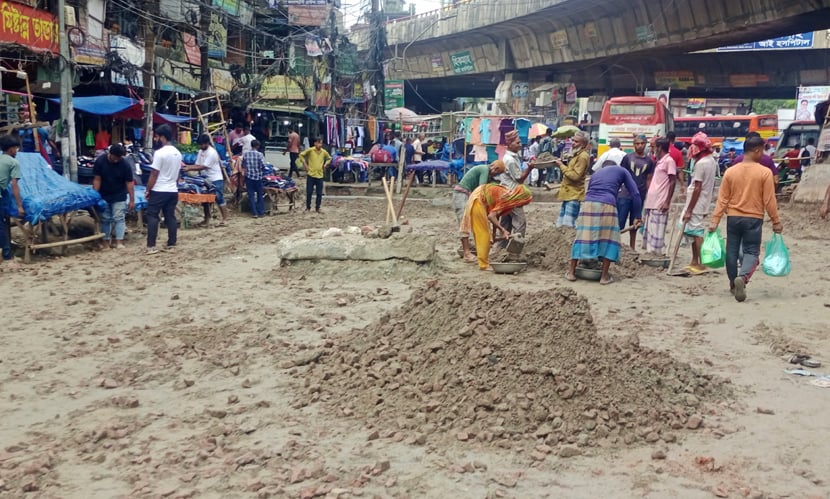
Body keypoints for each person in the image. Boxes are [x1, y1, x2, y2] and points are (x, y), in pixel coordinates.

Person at [709, 135, 782, 302]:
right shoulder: (765, 172)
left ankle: (733, 285)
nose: (763, 155)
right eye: (762, 151)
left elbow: (723, 199)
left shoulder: (730, 172)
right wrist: (776, 221)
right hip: (753, 218)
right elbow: (769, 200)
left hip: (733, 217)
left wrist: (715, 220)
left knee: (732, 251)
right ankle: (742, 278)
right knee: (751, 251)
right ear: (757, 150)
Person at [566, 164, 642, 285]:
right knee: (609, 239)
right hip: (608, 203)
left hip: (588, 204)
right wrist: (638, 215)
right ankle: (604, 276)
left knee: (582, 237)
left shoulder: (596, 174)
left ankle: (571, 272)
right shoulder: (623, 170)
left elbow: (589, 190)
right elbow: (636, 194)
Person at [460, 183, 533, 269]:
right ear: (519, 197)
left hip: (480, 196)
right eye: (523, 202)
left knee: (487, 235)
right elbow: (491, 216)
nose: (522, 205)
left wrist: (494, 234)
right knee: (483, 234)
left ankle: (484, 260)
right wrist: (503, 230)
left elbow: (496, 215)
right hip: (478, 199)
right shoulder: (506, 197)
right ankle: (484, 265)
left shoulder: (509, 200)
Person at [681, 132, 717, 273]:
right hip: (702, 200)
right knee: (693, 231)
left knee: (696, 232)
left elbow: (697, 187)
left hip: (697, 202)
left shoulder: (702, 164)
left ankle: (701, 262)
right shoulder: (711, 160)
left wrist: (689, 209)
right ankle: (695, 261)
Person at [145, 124, 183, 255]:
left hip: (159, 189)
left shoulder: (159, 153)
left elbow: (154, 173)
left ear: (162, 137)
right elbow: (178, 173)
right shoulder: (177, 153)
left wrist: (148, 189)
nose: (156, 139)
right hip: (172, 189)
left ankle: (151, 245)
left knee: (152, 216)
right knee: (170, 216)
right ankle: (171, 243)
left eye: (157, 136)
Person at [92, 144, 135, 249]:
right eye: (115, 158)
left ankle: (119, 241)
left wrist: (132, 200)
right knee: (105, 218)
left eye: (119, 158)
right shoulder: (100, 162)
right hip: (104, 194)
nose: (116, 160)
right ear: (110, 154)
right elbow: (97, 179)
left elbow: (129, 183)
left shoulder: (125, 165)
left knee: (119, 217)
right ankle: (106, 242)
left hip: (119, 194)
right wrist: (95, 196)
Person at [619, 134, 655, 249]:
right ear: (634, 145)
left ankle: (632, 248)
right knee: (620, 222)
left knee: (635, 223)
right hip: (625, 194)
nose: (640, 146)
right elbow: (621, 175)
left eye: (642, 143)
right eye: (637, 143)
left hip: (639, 196)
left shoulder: (649, 161)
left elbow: (649, 179)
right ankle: (616, 246)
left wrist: (649, 195)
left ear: (645, 144)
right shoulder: (627, 158)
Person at [642, 138, 677, 255]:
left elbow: (673, 181)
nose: (652, 149)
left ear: (660, 148)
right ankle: (651, 253)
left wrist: (667, 201)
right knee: (651, 230)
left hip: (660, 202)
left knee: (657, 231)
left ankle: (656, 254)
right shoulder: (660, 161)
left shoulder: (669, 161)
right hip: (652, 201)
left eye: (654, 147)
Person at [184, 134, 228, 226]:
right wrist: (187, 167)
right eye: (200, 144)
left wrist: (189, 168)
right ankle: (207, 219)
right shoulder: (201, 151)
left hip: (215, 178)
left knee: (219, 198)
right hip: (204, 178)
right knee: (205, 199)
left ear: (207, 143)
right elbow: (197, 164)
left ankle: (225, 219)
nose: (201, 146)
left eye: (202, 144)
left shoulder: (212, 153)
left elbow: (202, 166)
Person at [495, 131, 528, 246]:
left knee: (506, 223)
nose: (520, 145)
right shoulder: (510, 160)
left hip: (505, 193)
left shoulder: (512, 157)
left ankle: (501, 247)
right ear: (509, 145)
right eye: (517, 143)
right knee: (520, 222)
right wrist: (530, 168)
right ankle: (515, 248)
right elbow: (519, 178)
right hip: (512, 194)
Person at [452, 159, 506, 227]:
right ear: (495, 169)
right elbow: (482, 188)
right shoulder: (484, 169)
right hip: (461, 194)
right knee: (464, 217)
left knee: (470, 217)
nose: (495, 175)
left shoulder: (488, 173)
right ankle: (464, 236)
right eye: (497, 173)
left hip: (468, 194)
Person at [553, 131, 591, 228]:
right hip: (568, 193)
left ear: (583, 144)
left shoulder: (583, 156)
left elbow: (575, 176)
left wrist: (561, 166)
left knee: (568, 225)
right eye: (573, 140)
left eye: (576, 142)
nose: (573, 143)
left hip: (574, 194)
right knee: (560, 225)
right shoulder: (576, 154)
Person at [0, 135, 24, 270]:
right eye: (16, 148)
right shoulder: (13, 163)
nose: (17, 151)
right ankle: (7, 256)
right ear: (11, 149)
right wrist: (19, 206)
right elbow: (15, 185)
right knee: (1, 225)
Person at [299, 137, 332, 213]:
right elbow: (301, 155)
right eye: (318, 143)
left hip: (320, 175)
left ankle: (318, 207)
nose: (320, 145)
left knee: (319, 193)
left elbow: (329, 158)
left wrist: (325, 164)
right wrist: (305, 164)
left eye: (321, 143)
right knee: (309, 192)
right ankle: (308, 207)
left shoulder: (323, 152)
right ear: (315, 143)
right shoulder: (310, 150)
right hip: (311, 174)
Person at [242, 140, 266, 219]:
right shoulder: (260, 155)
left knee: (251, 195)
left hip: (249, 177)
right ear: (257, 146)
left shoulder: (246, 154)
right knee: (260, 194)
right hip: (258, 177)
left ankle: (254, 213)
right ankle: (261, 212)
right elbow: (263, 166)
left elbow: (243, 165)